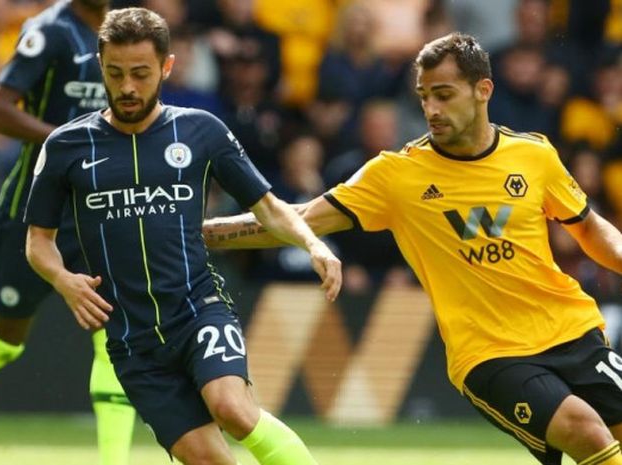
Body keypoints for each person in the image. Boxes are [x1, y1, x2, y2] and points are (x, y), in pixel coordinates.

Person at [203, 32, 622, 465]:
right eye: (424, 97)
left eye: (443, 94)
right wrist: (195, 232)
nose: (431, 110)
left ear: (484, 90)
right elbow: (296, 219)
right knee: (584, 429)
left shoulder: (533, 155)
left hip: (573, 331)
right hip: (491, 354)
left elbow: (590, 229)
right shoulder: (396, 175)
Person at [24, 7, 341, 465]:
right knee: (211, 460)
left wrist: (313, 243)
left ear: (167, 67)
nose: (127, 87)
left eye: (140, 73)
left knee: (232, 409)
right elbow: (38, 241)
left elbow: (269, 209)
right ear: (101, 67)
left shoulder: (200, 130)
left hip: (197, 311)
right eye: (115, 73)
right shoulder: (66, 146)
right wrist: (63, 280)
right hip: (132, 342)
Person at [0, 2, 138, 465]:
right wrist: (66, 140)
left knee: (114, 332)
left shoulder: (127, 32)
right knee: (3, 339)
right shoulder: (50, 32)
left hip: (99, 213)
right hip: (32, 210)